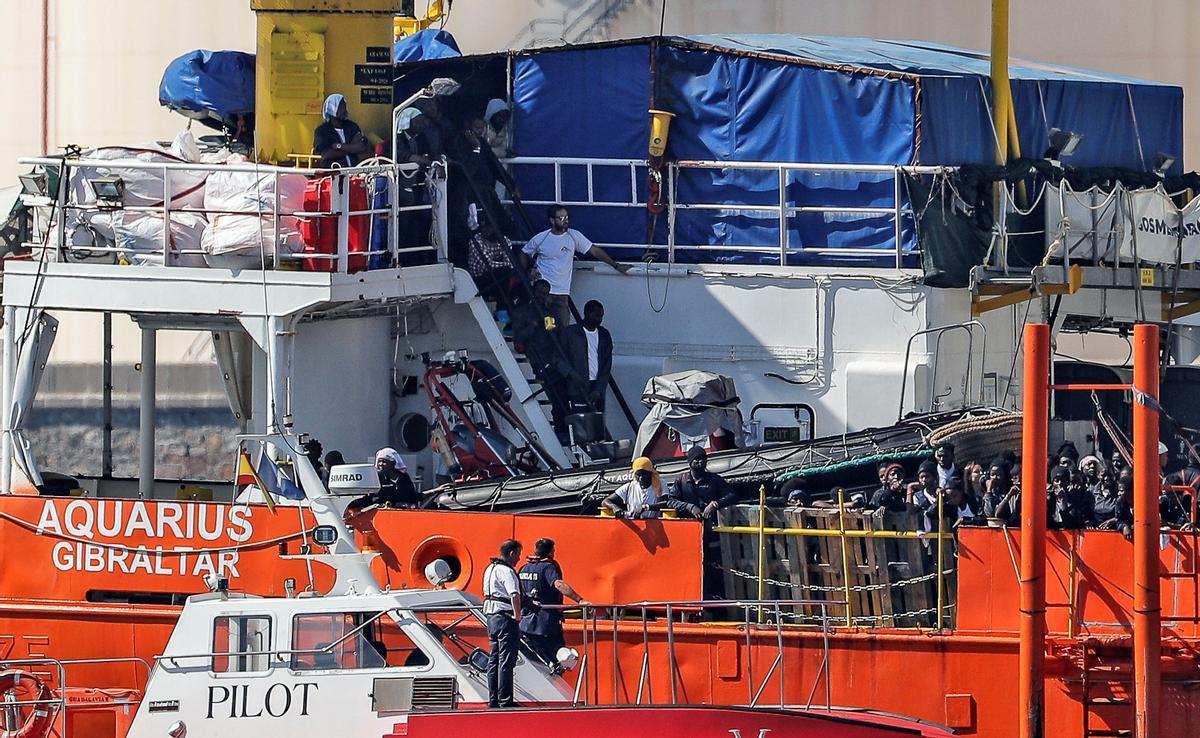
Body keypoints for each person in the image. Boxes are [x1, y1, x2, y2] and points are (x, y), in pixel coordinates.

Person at [521, 205, 630, 328]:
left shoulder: (574, 236)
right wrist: (527, 272)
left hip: (562, 295)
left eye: (567, 217)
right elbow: (525, 252)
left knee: (561, 329)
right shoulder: (542, 238)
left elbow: (594, 250)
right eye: (561, 218)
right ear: (552, 220)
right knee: (544, 328)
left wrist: (616, 265)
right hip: (543, 294)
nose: (566, 220)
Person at [517, 538, 587, 670]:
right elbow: (558, 584)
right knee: (560, 659)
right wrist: (579, 599)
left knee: (535, 664)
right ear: (550, 552)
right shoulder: (548, 567)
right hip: (546, 625)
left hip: (525, 625)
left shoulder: (524, 568)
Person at [483, 539, 523, 708]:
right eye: (518, 554)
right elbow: (514, 594)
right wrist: (517, 614)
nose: (519, 559)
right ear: (512, 553)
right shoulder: (506, 571)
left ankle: (493, 699)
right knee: (506, 660)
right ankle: (506, 700)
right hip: (505, 616)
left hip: (491, 616)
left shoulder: (490, 569)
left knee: (494, 659)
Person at [559, 299, 613, 417]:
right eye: (597, 315)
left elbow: (607, 365)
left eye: (601, 316)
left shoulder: (604, 335)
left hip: (597, 387)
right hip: (577, 385)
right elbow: (558, 358)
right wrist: (571, 374)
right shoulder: (571, 333)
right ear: (587, 313)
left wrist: (599, 389)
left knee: (597, 424)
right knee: (579, 424)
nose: (599, 319)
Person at [345, 448, 420, 514]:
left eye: (384, 461)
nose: (380, 464)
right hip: (381, 515)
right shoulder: (377, 478)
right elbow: (373, 499)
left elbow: (411, 496)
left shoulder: (404, 478)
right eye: (379, 461)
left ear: (393, 463)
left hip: (403, 515)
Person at [314, 93, 368, 168]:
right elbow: (326, 154)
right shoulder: (322, 131)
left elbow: (361, 147)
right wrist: (352, 148)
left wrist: (338, 146)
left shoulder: (352, 126)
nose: (345, 110)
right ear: (332, 109)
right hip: (333, 174)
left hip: (354, 172)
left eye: (345, 106)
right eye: (341, 107)